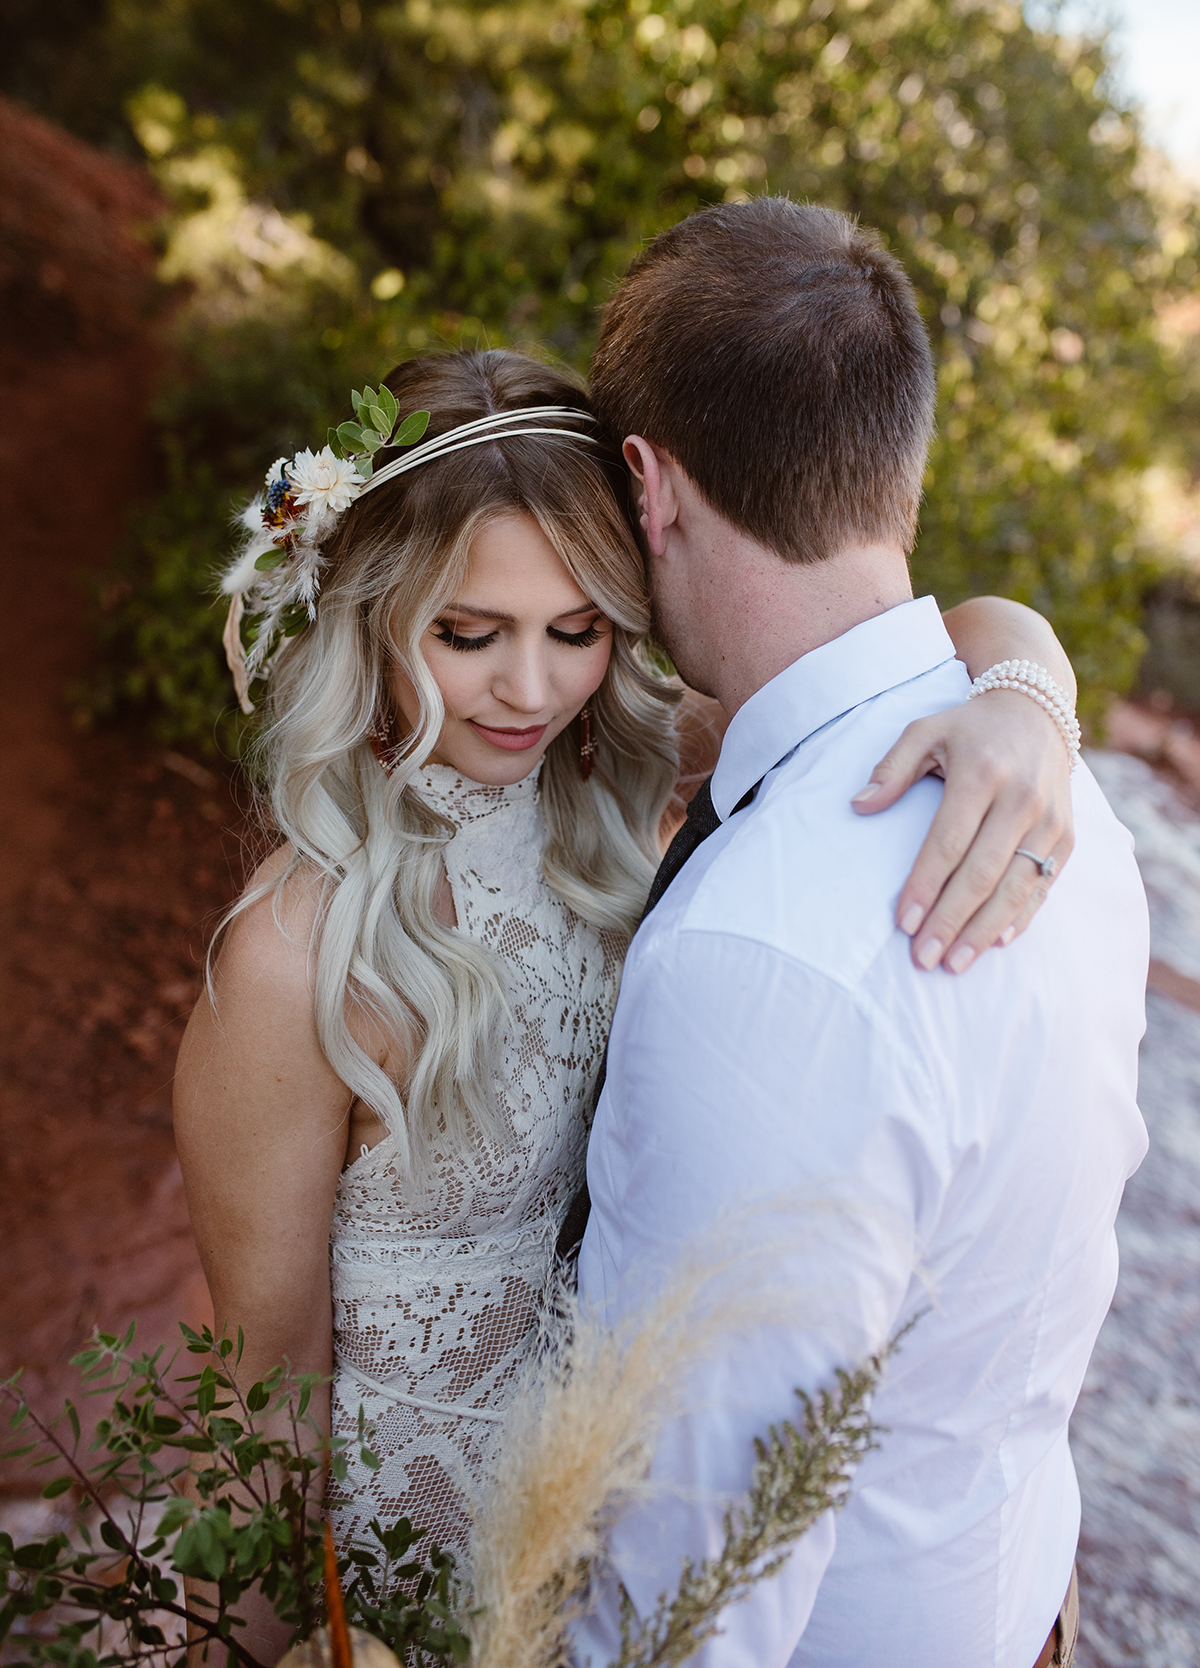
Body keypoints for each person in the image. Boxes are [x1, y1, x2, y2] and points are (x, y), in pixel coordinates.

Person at [174, 344, 1079, 1665]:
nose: (530, 689)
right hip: (409, 1613)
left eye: (578, 629)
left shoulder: (620, 800)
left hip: (622, 1578)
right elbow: (260, 1393)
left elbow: (918, 634)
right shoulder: (291, 957)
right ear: (371, 610)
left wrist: (1028, 695)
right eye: (469, 634)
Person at [569, 199, 1149, 1668]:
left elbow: (690, 1576)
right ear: (894, 464)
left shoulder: (753, 958)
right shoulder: (1068, 809)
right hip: (1019, 1597)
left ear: (650, 482)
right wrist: (1029, 670)